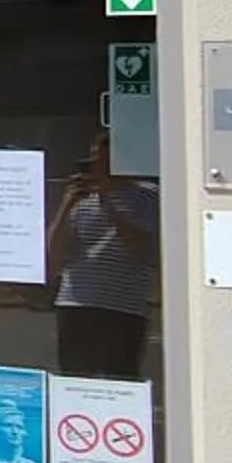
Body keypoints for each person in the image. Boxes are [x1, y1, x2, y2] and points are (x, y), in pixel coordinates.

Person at [48, 131, 158, 379]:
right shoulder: (81, 198)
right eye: (94, 161)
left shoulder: (147, 196)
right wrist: (67, 204)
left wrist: (107, 199)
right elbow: (56, 253)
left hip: (122, 306)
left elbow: (141, 248)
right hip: (76, 302)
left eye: (105, 162)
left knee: (118, 378)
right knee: (75, 377)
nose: (99, 168)